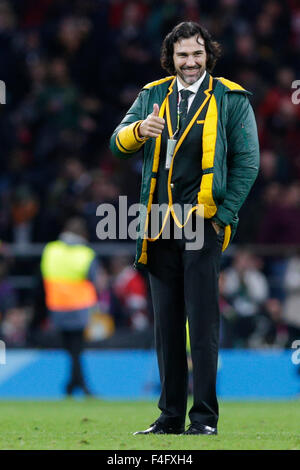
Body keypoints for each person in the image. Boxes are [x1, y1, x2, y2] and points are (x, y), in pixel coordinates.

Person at [110, 22, 259, 435]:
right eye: (182, 56)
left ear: (208, 54)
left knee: (202, 323)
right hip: (158, 224)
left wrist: (222, 217)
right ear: (170, 58)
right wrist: (139, 130)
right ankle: (170, 416)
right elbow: (116, 142)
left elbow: (248, 163)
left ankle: (205, 419)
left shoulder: (230, 97)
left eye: (197, 54)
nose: (190, 62)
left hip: (201, 223)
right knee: (167, 326)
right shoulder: (152, 95)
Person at [40, 217, 101, 396]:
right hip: (79, 306)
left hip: (57, 305)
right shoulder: (86, 253)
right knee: (76, 349)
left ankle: (73, 384)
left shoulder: (51, 249)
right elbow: (93, 278)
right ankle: (79, 385)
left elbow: (44, 273)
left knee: (70, 349)